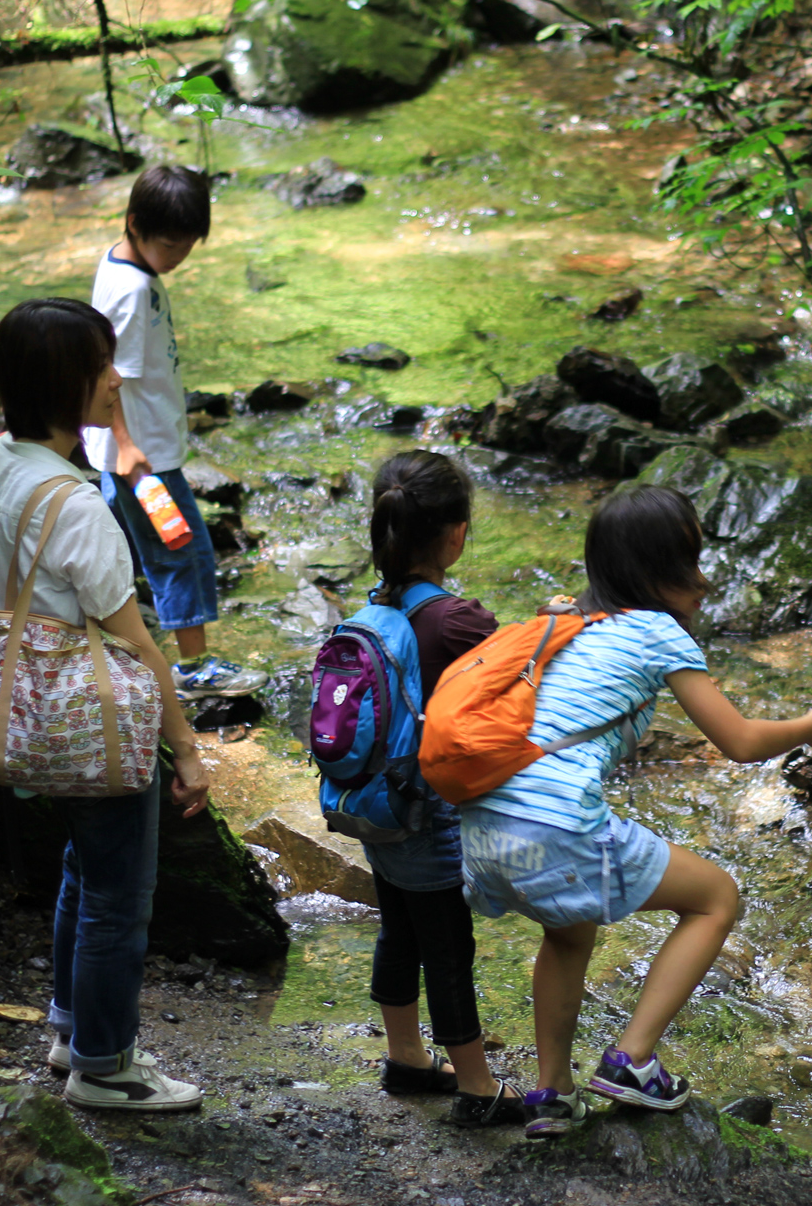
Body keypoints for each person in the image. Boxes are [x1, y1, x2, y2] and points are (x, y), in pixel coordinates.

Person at [459, 485, 812, 1139]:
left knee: (569, 929)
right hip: (555, 828)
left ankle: (551, 1094)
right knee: (717, 898)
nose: (702, 578)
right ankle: (631, 1060)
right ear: (652, 570)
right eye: (689, 561)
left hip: (480, 828)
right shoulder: (658, 634)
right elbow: (741, 742)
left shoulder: (562, 621)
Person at [0, 297, 212, 1112]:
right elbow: (139, 644)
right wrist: (186, 748)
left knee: (85, 864)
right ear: (67, 382)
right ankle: (104, 1067)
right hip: (90, 719)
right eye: (104, 366)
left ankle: (72, 1027)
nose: (117, 378)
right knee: (118, 893)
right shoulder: (77, 506)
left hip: (27, 707)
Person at [359, 450, 524, 1127]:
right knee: (449, 948)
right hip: (428, 816)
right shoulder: (456, 622)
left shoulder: (375, 608)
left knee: (398, 930)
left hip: (374, 805)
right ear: (457, 535)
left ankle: (405, 1057)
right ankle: (478, 1087)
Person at [81, 165, 266, 701]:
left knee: (117, 553)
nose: (179, 256)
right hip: (143, 459)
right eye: (170, 245)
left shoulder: (120, 262)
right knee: (182, 552)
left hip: (127, 450)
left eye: (188, 246)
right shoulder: (134, 291)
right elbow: (109, 373)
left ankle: (108, 648)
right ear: (135, 223)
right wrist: (129, 447)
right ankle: (194, 668)